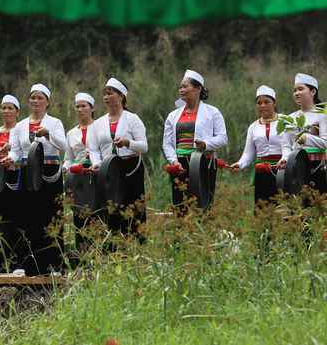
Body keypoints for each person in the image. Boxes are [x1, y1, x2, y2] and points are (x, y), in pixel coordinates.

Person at [3, 84, 67, 276]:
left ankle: (54, 265)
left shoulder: (55, 122)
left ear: (47, 102)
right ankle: (31, 265)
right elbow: (16, 150)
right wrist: (10, 159)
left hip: (49, 171)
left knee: (51, 215)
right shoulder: (21, 125)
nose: (36, 101)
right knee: (29, 217)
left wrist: (47, 134)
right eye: (33, 98)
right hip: (28, 170)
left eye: (40, 98)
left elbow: (63, 145)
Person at [89, 79, 148, 237]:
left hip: (131, 168)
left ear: (121, 96)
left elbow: (144, 146)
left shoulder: (132, 119)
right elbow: (94, 149)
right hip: (108, 170)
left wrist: (128, 143)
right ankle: (112, 251)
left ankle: (137, 247)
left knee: (133, 208)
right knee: (110, 209)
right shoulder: (97, 124)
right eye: (104, 94)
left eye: (110, 93)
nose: (106, 97)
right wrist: (96, 164)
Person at [163, 69, 228, 210]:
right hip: (180, 166)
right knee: (180, 205)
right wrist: (174, 161)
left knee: (202, 204)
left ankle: (203, 231)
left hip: (203, 163)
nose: (181, 89)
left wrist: (206, 144)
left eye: (185, 86)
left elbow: (223, 138)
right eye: (180, 87)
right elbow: (167, 144)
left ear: (198, 89)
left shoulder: (212, 112)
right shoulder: (173, 116)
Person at [228, 86, 283, 208]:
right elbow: (249, 153)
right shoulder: (253, 127)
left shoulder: (286, 122)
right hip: (262, 171)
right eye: (259, 103)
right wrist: (240, 164)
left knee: (284, 207)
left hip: (283, 169)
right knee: (262, 208)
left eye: (266, 102)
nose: (262, 106)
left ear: (275, 103)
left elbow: (293, 146)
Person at [0, 95, 25, 273]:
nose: (6, 111)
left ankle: (19, 263)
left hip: (17, 177)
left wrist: (11, 148)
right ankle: (1, 264)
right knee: (0, 219)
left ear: (18, 112)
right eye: (3, 108)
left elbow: (29, 150)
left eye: (10, 108)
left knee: (18, 217)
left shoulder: (22, 130)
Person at [278, 73, 327, 196]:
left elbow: (325, 142)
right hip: (295, 168)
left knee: (317, 204)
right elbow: (286, 145)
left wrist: (307, 138)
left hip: (317, 166)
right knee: (298, 204)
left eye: (301, 89)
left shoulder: (322, 114)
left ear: (313, 92)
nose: (296, 93)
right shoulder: (290, 118)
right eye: (294, 90)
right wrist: (285, 158)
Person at [62, 93, 96, 250]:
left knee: (96, 214)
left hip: (96, 176)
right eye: (77, 106)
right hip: (76, 179)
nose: (80, 109)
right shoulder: (71, 133)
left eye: (84, 106)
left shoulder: (99, 127)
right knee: (79, 214)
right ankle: (83, 256)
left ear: (92, 108)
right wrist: (64, 168)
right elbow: (69, 159)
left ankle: (99, 257)